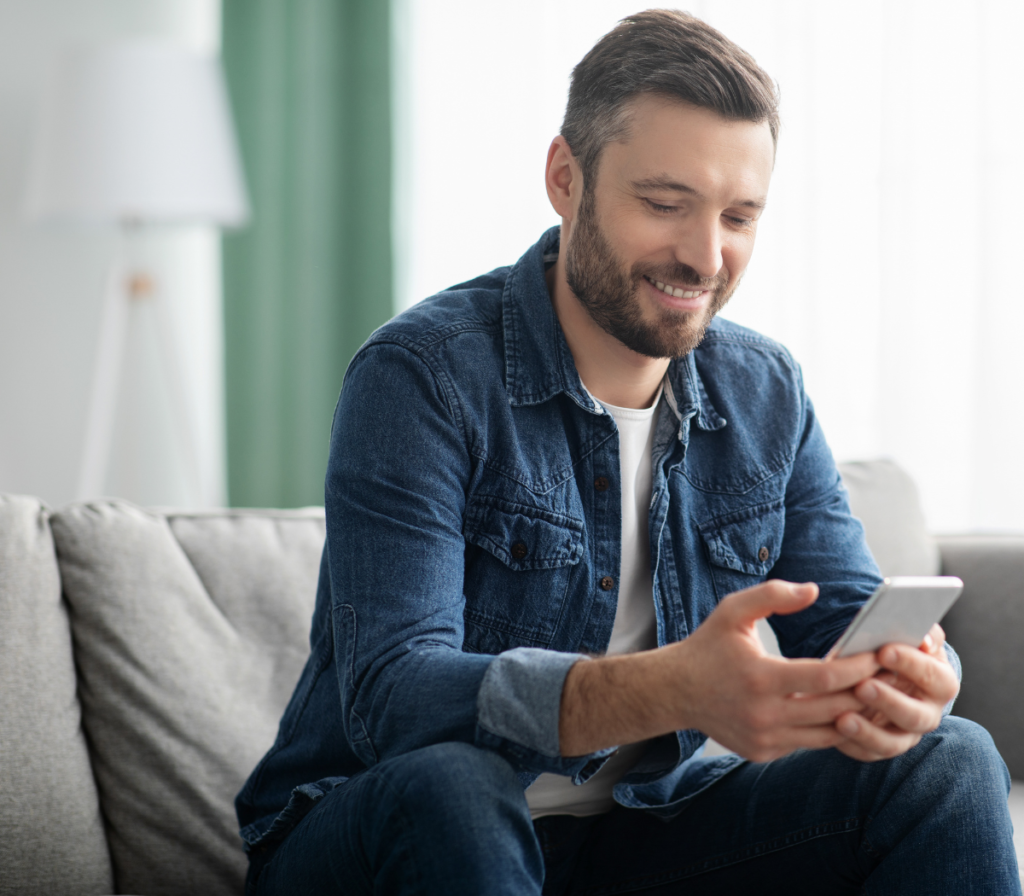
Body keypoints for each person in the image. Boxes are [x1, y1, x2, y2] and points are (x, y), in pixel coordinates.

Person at [236, 10, 1019, 894]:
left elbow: (845, 615)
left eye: (739, 216)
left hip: (643, 835)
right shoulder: (421, 376)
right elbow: (396, 699)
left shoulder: (764, 390)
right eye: (664, 203)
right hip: (386, 831)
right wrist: (670, 687)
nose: (705, 254)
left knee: (947, 758)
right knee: (454, 786)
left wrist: (916, 677)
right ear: (566, 179)